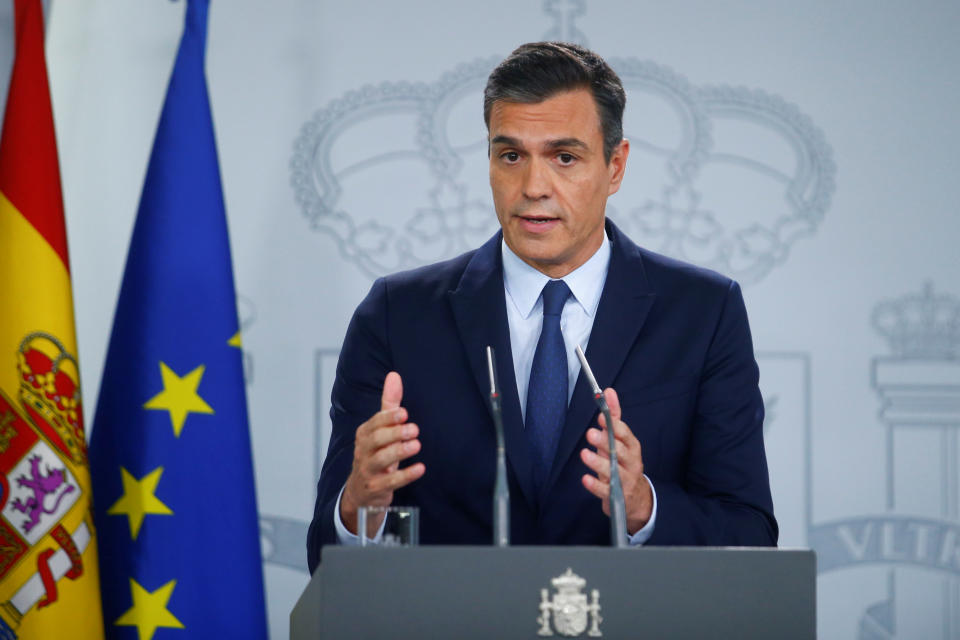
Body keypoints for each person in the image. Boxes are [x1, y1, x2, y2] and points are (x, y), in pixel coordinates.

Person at [307, 41, 777, 572]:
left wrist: (644, 506)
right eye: (511, 155)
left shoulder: (702, 313)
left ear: (615, 166)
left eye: (564, 157)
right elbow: (325, 554)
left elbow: (750, 538)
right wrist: (357, 508)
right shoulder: (398, 314)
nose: (533, 187)